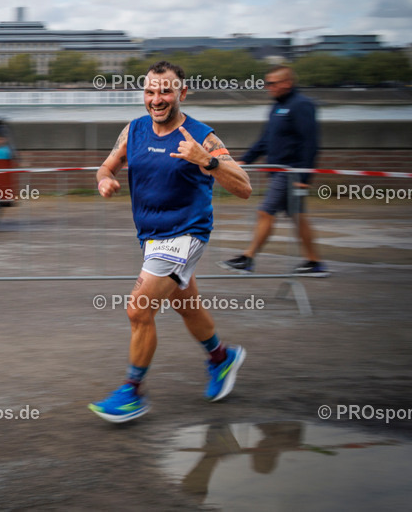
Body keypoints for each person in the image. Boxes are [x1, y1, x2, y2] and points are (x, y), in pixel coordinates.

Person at [90, 60, 253, 423]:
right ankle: (221, 358)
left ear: (183, 93)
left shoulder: (201, 136)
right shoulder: (133, 130)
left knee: (139, 309)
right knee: (186, 305)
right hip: (151, 237)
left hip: (186, 233)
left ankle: (132, 391)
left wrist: (207, 161)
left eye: (166, 91)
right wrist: (104, 180)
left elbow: (244, 186)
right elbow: (106, 166)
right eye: (150, 91)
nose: (157, 98)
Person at [219, 66, 328, 277]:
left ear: (287, 83)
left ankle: (248, 258)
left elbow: (310, 142)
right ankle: (315, 262)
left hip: (290, 172)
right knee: (298, 217)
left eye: (272, 83)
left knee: (265, 212)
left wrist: (304, 176)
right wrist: (245, 159)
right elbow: (265, 140)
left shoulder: (301, 105)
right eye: (266, 83)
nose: (268, 87)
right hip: (279, 172)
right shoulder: (277, 107)